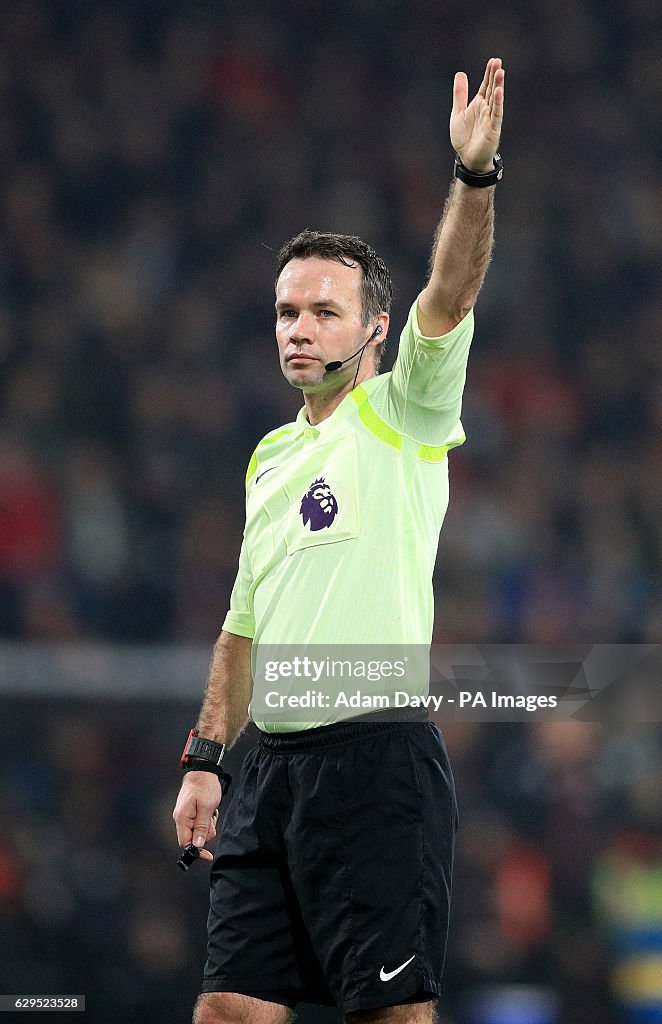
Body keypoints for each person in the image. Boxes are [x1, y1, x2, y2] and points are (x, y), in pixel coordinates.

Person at [173, 57, 506, 1024]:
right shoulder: (269, 458)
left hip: (375, 763)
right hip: (268, 768)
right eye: (287, 312)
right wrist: (205, 758)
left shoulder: (406, 409)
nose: (300, 330)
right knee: (230, 1011)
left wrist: (474, 177)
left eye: (325, 312)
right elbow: (243, 628)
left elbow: (452, 285)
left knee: (391, 1018)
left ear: (375, 329)